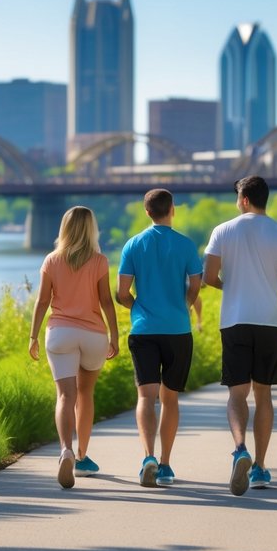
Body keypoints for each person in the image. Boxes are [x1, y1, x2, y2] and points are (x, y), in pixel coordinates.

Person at [203, 176, 277, 495]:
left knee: (236, 394)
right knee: (264, 395)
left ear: (244, 199)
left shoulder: (222, 231)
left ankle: (240, 448)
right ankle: (260, 467)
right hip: (271, 321)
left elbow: (208, 276)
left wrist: (229, 285)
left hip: (234, 320)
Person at [28, 206, 120, 489]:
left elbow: (42, 301)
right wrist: (115, 335)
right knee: (85, 394)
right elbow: (106, 302)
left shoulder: (52, 260)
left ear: (64, 228)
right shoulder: (100, 261)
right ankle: (81, 457)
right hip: (93, 335)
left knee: (65, 396)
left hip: (61, 333)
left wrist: (32, 336)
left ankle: (65, 449)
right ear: (91, 229)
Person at [117, 189, 203, 488]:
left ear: (146, 212)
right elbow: (196, 284)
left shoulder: (133, 245)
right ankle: (165, 465)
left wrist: (138, 306)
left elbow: (121, 293)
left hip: (144, 330)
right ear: (172, 210)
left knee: (145, 397)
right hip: (178, 330)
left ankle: (148, 456)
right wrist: (186, 304)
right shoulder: (186, 245)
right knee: (170, 399)